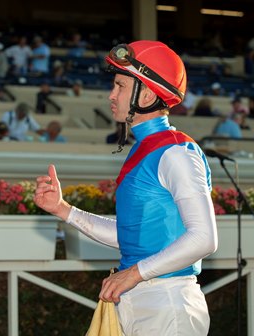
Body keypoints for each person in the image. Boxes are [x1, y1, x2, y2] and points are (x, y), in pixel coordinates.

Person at [33, 41, 217, 335]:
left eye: (119, 86)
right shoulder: (147, 149)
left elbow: (205, 238)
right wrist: (63, 210)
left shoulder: (177, 153)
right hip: (142, 299)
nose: (111, 95)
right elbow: (131, 237)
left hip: (168, 303)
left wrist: (134, 273)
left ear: (146, 92)